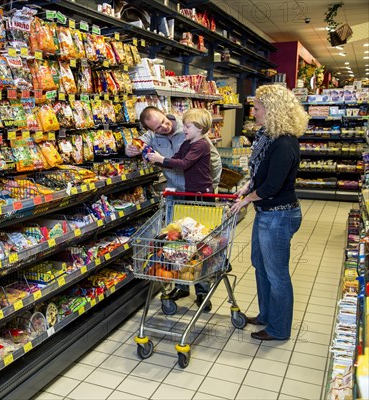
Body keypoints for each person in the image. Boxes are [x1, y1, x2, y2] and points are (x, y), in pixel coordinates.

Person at [230, 84, 308, 341]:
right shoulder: (266, 136)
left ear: (272, 110)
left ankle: (279, 328)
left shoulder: (285, 143)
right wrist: (246, 187)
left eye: (258, 107)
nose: (253, 112)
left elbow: (273, 185)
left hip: (279, 215)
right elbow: (259, 174)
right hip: (266, 212)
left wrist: (246, 201)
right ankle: (266, 315)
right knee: (260, 265)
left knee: (277, 274)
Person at [126, 106, 222, 311]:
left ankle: (202, 287)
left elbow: (212, 161)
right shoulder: (154, 134)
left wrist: (211, 188)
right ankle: (181, 284)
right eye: (157, 128)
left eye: (163, 121)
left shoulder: (190, 127)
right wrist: (132, 149)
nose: (163, 127)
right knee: (178, 242)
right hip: (177, 194)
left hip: (199, 195)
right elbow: (136, 145)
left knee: (200, 240)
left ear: (164, 113)